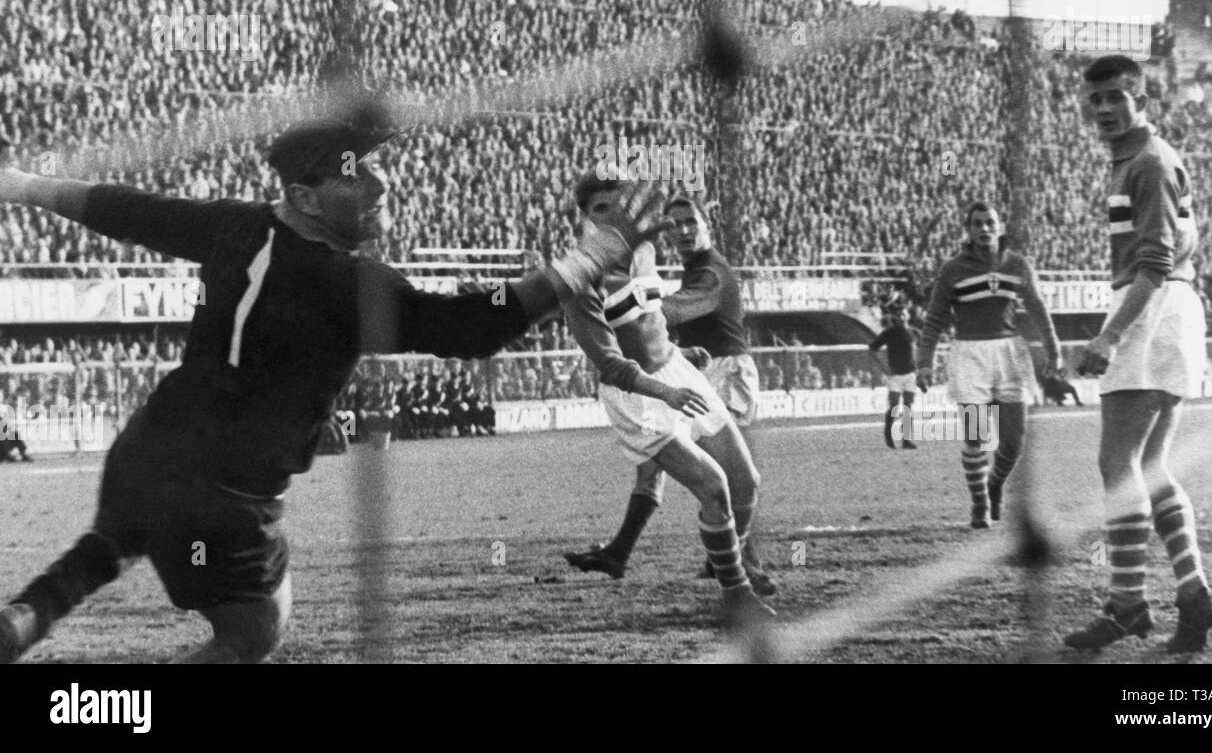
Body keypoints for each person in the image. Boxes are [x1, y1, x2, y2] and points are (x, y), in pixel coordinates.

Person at [0, 111, 664, 664]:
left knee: (105, 547)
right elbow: (466, 327)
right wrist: (594, 256)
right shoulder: (348, 285)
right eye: (357, 173)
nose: (379, 183)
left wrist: (23, 183)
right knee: (253, 631)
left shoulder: (233, 224)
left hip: (147, 452)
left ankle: (20, 623)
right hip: (225, 497)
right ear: (306, 196)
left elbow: (120, 209)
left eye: (375, 167)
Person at [557, 173, 773, 627]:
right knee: (713, 487)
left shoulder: (645, 251)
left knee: (745, 482)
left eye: (618, 206)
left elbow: (651, 318)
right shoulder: (578, 280)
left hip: (675, 370)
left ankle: (728, 562)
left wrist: (679, 355)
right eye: (600, 210)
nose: (612, 216)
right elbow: (612, 364)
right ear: (583, 217)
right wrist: (666, 391)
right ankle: (736, 594)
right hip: (636, 395)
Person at [1064, 54, 1212, 653]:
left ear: (1142, 103)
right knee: (1152, 468)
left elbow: (1154, 262)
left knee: (1116, 464)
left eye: (1116, 98)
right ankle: (1194, 592)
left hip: (1152, 306)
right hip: (1174, 308)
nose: (1103, 109)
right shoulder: (1141, 161)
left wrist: (1109, 336)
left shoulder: (1149, 163)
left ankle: (1127, 604)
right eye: (1095, 99)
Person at [915, 202, 1061, 529]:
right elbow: (936, 317)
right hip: (970, 354)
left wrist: (1054, 350)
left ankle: (994, 483)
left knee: (1013, 442)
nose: (984, 229)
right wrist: (924, 361)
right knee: (977, 437)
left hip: (1009, 352)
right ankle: (979, 503)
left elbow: (1038, 309)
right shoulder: (954, 269)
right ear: (968, 230)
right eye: (977, 224)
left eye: (990, 223)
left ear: (1000, 227)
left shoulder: (1019, 265)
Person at [870, 308, 919, 450]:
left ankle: (906, 440)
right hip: (895, 375)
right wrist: (884, 368)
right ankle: (888, 434)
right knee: (894, 406)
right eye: (900, 315)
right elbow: (872, 349)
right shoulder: (889, 333)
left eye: (905, 314)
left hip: (910, 374)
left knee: (908, 406)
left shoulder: (912, 332)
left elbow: (915, 351)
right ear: (896, 318)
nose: (903, 317)